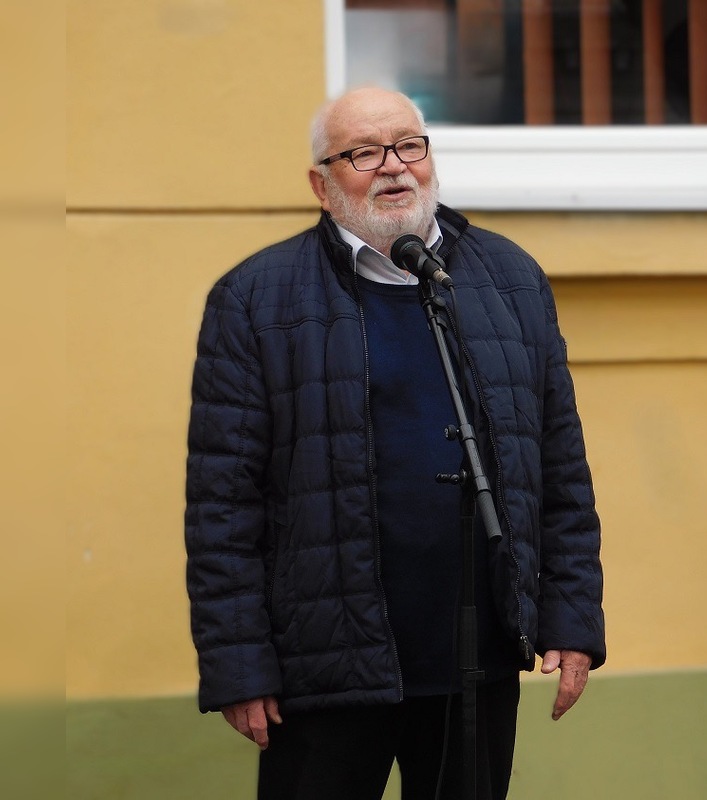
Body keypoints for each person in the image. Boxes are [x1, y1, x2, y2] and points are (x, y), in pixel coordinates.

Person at [184, 86, 605, 800]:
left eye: (411, 145)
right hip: (325, 664)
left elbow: (559, 468)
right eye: (363, 153)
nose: (394, 167)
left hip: (474, 660)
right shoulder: (256, 299)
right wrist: (239, 663)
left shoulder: (510, 281)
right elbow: (222, 504)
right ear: (322, 184)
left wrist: (570, 616)